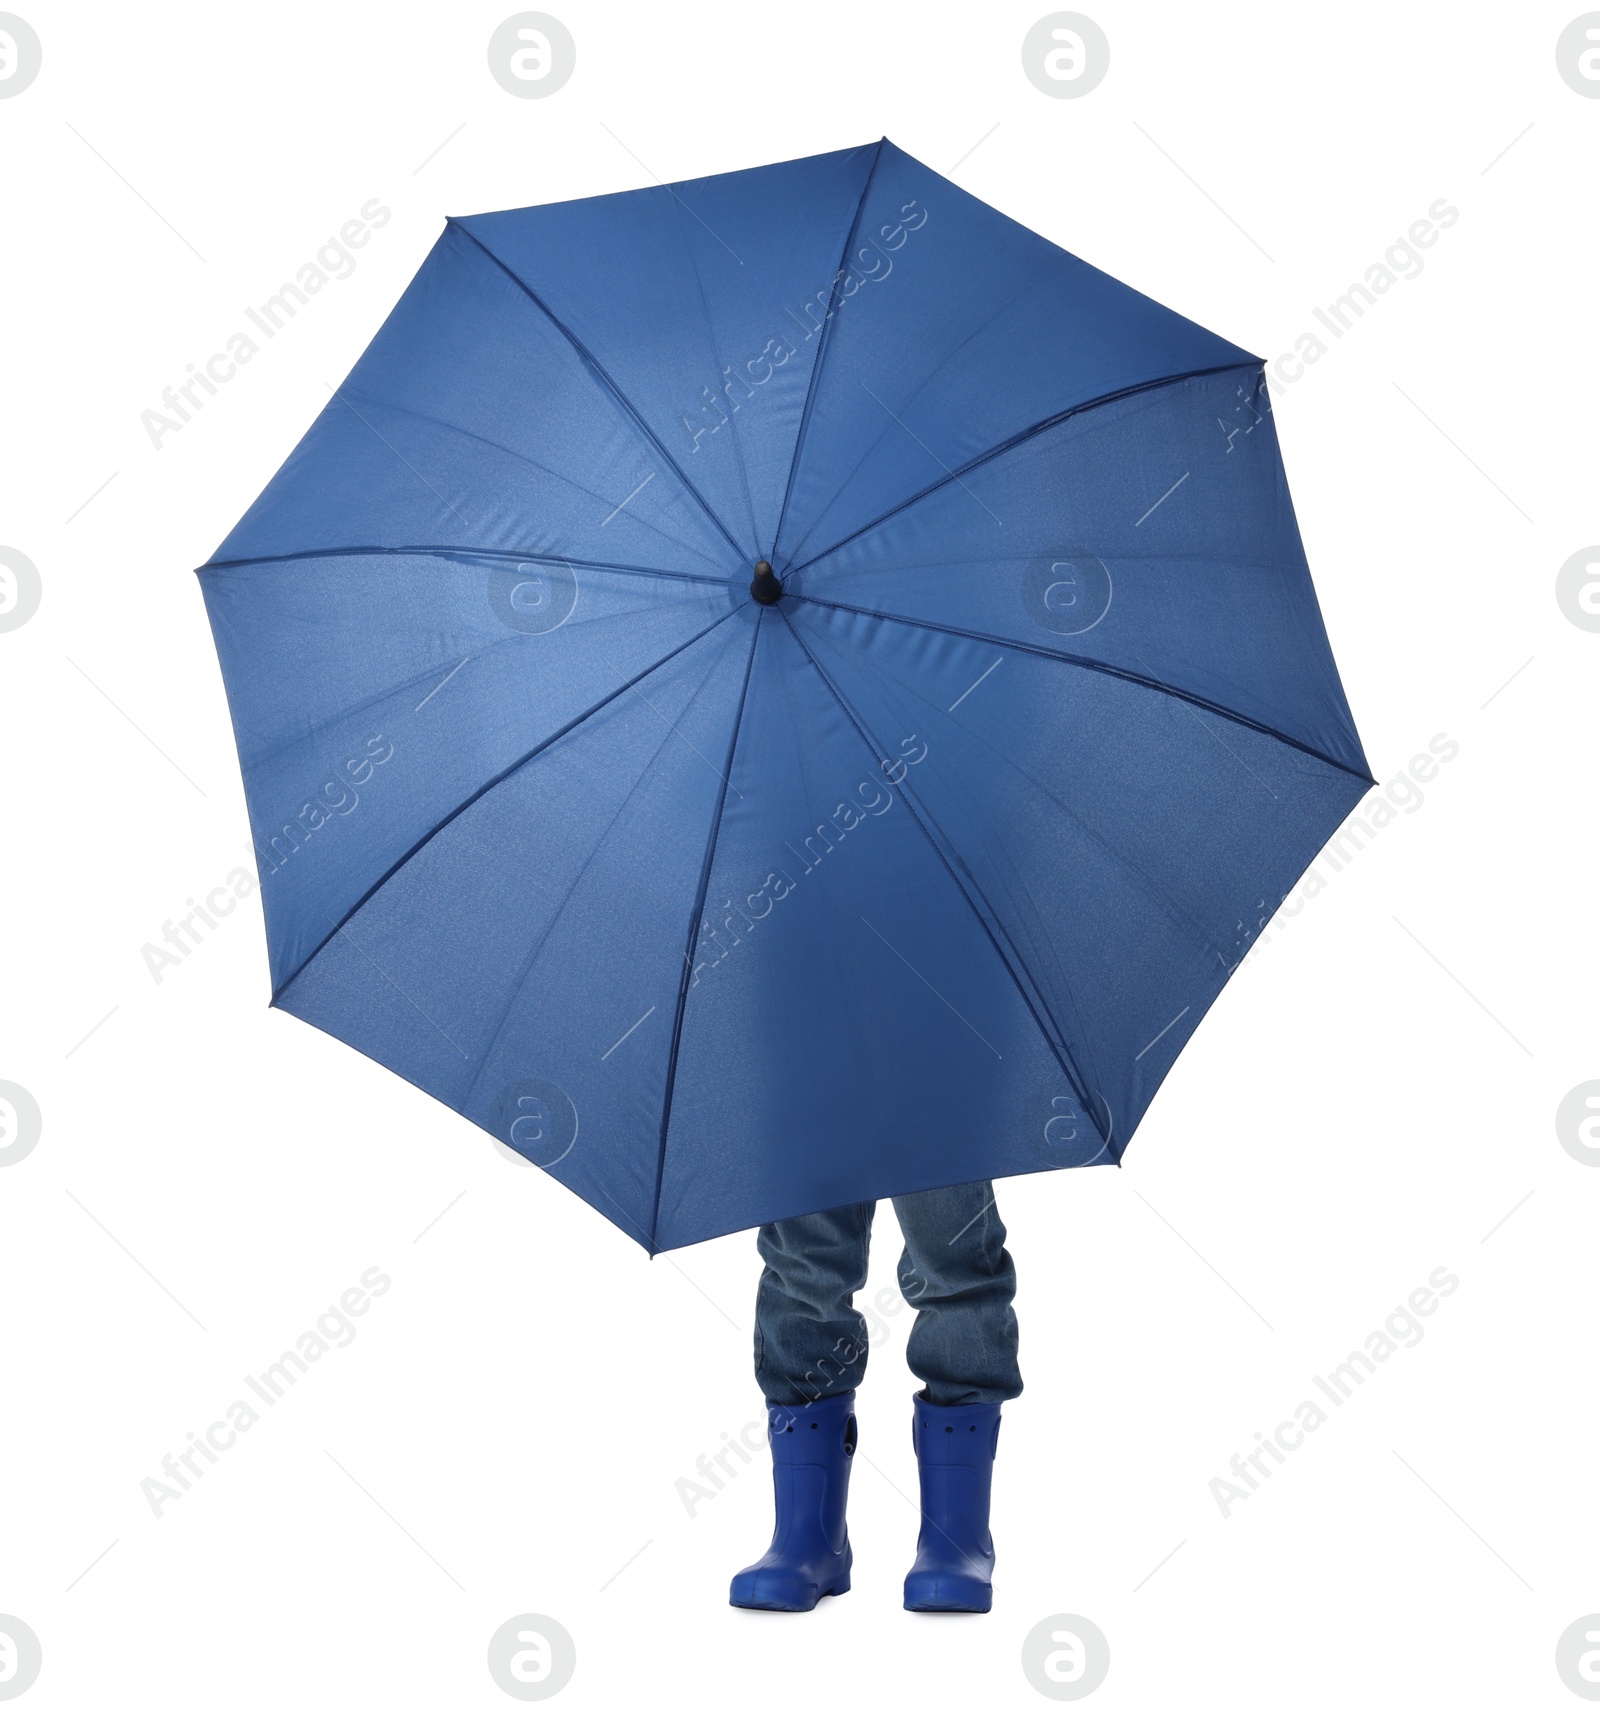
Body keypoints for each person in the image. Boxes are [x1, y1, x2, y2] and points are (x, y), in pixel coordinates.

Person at [729, 1180, 1020, 1613]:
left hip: (936, 1109)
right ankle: (808, 1541)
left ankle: (956, 1542)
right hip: (806, 1109)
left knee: (953, 1253)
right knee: (803, 1266)